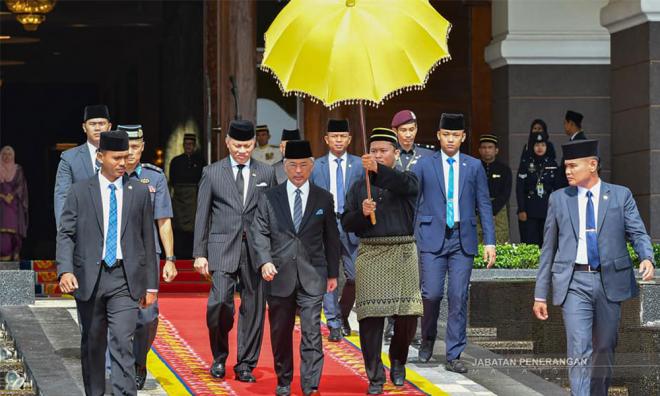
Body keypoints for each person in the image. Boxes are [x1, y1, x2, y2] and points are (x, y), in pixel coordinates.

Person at [533, 139, 655, 396]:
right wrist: (540, 294)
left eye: (572, 166)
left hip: (609, 282)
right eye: (565, 166)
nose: (567, 171)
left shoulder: (620, 195)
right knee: (579, 347)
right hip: (574, 282)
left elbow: (638, 232)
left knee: (605, 347)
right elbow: (548, 249)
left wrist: (646, 257)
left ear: (592, 165)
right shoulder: (558, 199)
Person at [56, 130, 157, 396]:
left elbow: (148, 238)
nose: (124, 162)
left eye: (126, 157)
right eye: (117, 158)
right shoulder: (80, 191)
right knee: (93, 343)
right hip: (90, 278)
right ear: (100, 157)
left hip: (125, 278)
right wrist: (65, 270)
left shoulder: (139, 191)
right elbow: (66, 233)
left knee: (123, 342)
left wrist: (151, 285)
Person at [250, 139, 340, 396]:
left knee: (312, 330)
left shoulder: (324, 198)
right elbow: (259, 232)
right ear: (284, 166)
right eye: (292, 165)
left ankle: (310, 385)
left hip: (313, 274)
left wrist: (333, 273)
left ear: (311, 166)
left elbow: (331, 238)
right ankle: (284, 379)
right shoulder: (269, 197)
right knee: (280, 332)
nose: (298, 171)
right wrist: (265, 260)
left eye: (303, 165)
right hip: (278, 274)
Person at [193, 120, 276, 383]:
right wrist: (199, 252)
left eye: (248, 145)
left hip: (256, 250)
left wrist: (271, 255)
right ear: (227, 142)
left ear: (254, 144)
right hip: (221, 248)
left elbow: (272, 215)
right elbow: (202, 215)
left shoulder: (265, 173)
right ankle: (219, 357)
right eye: (238, 145)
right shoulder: (212, 172)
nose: (242, 150)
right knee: (219, 304)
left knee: (253, 308)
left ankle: (245, 364)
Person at [413, 113, 496, 373]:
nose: (450, 139)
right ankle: (427, 338)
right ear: (438, 135)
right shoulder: (424, 165)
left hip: (463, 239)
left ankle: (454, 354)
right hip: (432, 238)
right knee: (432, 294)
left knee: (459, 296)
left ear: (463, 137)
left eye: (455, 135)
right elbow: (414, 203)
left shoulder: (473, 166)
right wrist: (413, 236)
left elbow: (484, 204)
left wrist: (490, 242)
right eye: (445, 134)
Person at [342, 128, 423, 395]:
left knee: (407, 316)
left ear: (396, 153)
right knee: (370, 319)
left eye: (383, 151)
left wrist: (377, 169)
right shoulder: (358, 187)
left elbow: (403, 185)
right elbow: (347, 223)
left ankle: (398, 361)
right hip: (371, 254)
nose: (378, 155)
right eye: (373, 151)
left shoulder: (406, 179)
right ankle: (375, 375)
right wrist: (362, 214)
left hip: (402, 252)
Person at [119, 124, 178, 389]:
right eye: (126, 146)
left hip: (146, 256)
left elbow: (163, 220)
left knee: (147, 315)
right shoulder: (109, 175)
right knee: (116, 313)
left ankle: (139, 360)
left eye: (135, 147)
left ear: (142, 146)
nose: (130, 152)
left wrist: (170, 258)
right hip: (117, 255)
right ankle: (120, 364)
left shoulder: (154, 177)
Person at [310, 118, 363, 341]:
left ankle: (341, 314)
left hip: (351, 225)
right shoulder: (316, 166)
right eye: (334, 136)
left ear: (349, 139)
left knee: (355, 276)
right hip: (326, 226)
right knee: (328, 275)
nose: (338, 140)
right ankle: (333, 323)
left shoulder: (360, 164)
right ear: (326, 139)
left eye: (342, 136)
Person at [385, 109, 434, 343]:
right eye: (403, 130)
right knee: (394, 276)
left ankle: (410, 326)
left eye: (411, 130)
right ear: (395, 132)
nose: (408, 135)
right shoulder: (387, 155)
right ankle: (392, 321)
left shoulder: (427, 157)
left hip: (420, 223)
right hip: (394, 223)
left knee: (417, 279)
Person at [54, 104, 112, 227]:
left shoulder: (119, 157)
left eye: (101, 123)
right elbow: (62, 197)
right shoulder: (69, 158)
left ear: (109, 127)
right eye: (92, 124)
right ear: (84, 127)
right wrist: (64, 235)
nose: (97, 128)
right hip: (82, 230)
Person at [516, 133, 560, 246]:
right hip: (530, 208)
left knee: (547, 242)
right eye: (537, 145)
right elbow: (519, 188)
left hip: (547, 207)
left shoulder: (552, 164)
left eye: (543, 145)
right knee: (530, 242)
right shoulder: (525, 163)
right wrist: (521, 209)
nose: (540, 148)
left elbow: (557, 187)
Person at [169, 133, 204, 258]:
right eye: (186, 144)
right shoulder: (176, 161)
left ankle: (193, 254)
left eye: (190, 144)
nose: (188, 146)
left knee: (195, 227)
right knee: (178, 226)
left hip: (195, 197)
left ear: (194, 145)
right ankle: (179, 254)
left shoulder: (200, 161)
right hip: (179, 198)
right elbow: (172, 181)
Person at [477, 134, 512, 244]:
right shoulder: (474, 168)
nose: (487, 150)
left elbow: (506, 193)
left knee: (499, 241)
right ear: (479, 150)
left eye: (490, 147)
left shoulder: (504, 169)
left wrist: (492, 210)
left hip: (498, 210)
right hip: (478, 209)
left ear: (496, 150)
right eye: (484, 147)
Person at [0, 146, 28, 261]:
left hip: (14, 205)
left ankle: (15, 253)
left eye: (9, 154)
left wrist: (11, 196)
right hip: (1, 205)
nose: (7, 157)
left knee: (14, 231)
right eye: (4, 154)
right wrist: (2, 196)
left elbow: (21, 185)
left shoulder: (18, 169)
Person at [556, 111, 587, 188]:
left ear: (571, 124)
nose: (564, 126)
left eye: (565, 123)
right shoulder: (577, 140)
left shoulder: (578, 142)